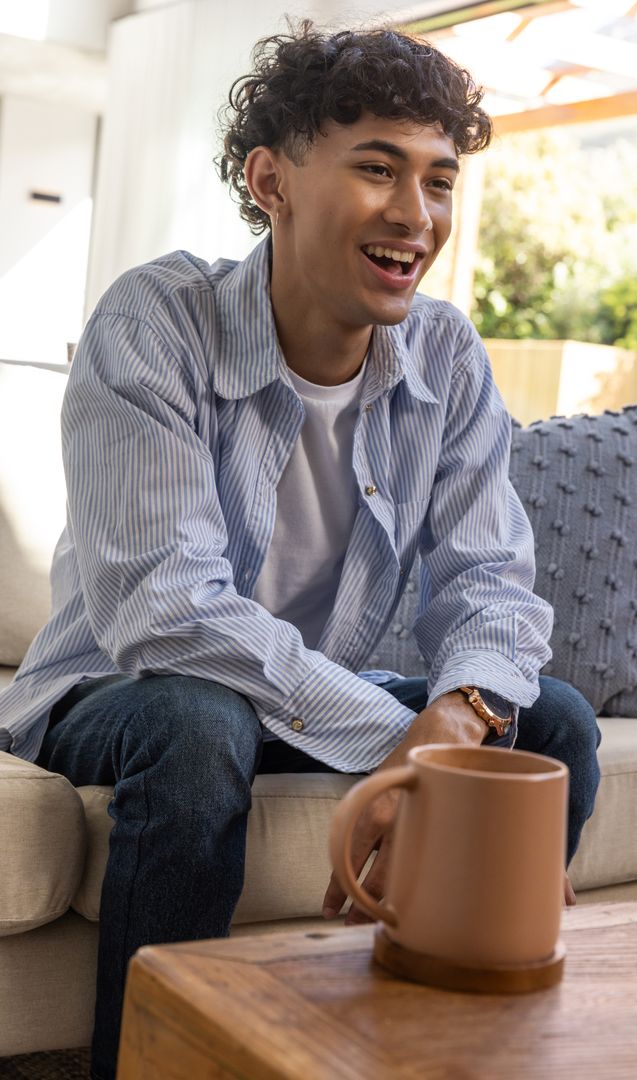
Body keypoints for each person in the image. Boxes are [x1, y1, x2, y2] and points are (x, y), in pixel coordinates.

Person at [0, 21, 601, 1079]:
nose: (416, 216)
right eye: (378, 169)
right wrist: (403, 739)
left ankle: (437, 1043)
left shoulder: (448, 355)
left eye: (440, 180)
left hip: (300, 693)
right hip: (119, 690)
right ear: (270, 181)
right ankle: (153, 1065)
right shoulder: (154, 323)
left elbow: (494, 582)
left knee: (553, 722)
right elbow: (167, 613)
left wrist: (456, 716)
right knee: (198, 724)